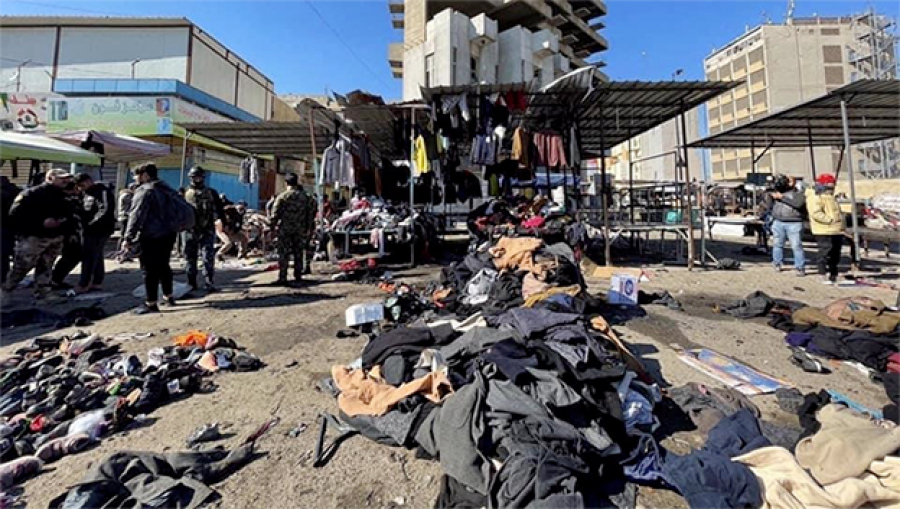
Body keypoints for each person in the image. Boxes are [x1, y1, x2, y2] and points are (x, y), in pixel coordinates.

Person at [1, 169, 75, 303]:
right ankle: (6, 290)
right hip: (34, 237)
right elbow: (15, 214)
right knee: (22, 266)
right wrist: (41, 223)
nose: (65, 181)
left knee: (46, 266)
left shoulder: (64, 195)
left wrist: (66, 228)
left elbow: (71, 214)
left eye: (67, 178)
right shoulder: (32, 194)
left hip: (55, 237)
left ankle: (44, 292)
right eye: (61, 178)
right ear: (50, 178)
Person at [124, 163, 179, 314]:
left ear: (145, 175)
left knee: (149, 270)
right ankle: (169, 296)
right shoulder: (166, 188)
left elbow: (136, 215)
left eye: (137, 175)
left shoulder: (145, 191)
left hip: (151, 235)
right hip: (169, 234)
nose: (135, 178)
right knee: (164, 265)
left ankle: (151, 302)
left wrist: (128, 237)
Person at [72, 173, 116, 293]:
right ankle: (96, 281)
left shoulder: (102, 191)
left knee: (89, 256)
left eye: (82, 185)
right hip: (88, 229)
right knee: (96, 255)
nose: (81, 188)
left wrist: (92, 223)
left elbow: (105, 209)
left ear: (89, 181)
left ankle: (84, 283)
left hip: (100, 229)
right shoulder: (85, 194)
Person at [182, 166, 223, 292]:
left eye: (199, 177)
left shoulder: (211, 193)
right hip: (189, 230)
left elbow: (219, 210)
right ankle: (191, 282)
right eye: (195, 177)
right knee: (190, 257)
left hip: (207, 229)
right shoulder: (184, 193)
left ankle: (209, 281)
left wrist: (221, 222)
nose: (197, 180)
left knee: (207, 257)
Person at [272, 173, 315, 284]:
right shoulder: (306, 197)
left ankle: (283, 277)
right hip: (300, 229)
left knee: (284, 253)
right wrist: (309, 228)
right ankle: (298, 276)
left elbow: (275, 214)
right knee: (298, 253)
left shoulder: (282, 197)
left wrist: (272, 227)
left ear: (286, 183)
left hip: (285, 229)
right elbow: (311, 214)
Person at [806, 173, 844, 285]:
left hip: (836, 229)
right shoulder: (815, 197)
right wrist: (829, 220)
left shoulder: (831, 197)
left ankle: (833, 274)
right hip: (823, 230)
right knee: (825, 251)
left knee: (835, 253)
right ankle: (822, 273)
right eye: (830, 186)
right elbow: (815, 213)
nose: (832, 188)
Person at [765, 174, 806, 275]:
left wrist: (782, 198)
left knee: (796, 246)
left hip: (794, 222)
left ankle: (800, 267)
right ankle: (777, 263)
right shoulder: (777, 192)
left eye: (789, 181)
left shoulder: (798, 193)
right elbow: (768, 206)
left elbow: (798, 204)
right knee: (777, 244)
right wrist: (769, 195)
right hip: (778, 221)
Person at [49, 179, 85, 289]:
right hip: (66, 233)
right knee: (72, 256)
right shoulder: (66, 200)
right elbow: (69, 218)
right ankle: (55, 279)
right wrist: (71, 234)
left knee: (71, 256)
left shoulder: (69, 199)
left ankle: (55, 279)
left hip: (67, 232)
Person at [1, 176, 21, 285]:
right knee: (7, 255)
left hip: (4, 226)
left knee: (3, 256)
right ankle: (8, 278)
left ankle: (4, 279)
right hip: (11, 226)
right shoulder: (15, 191)